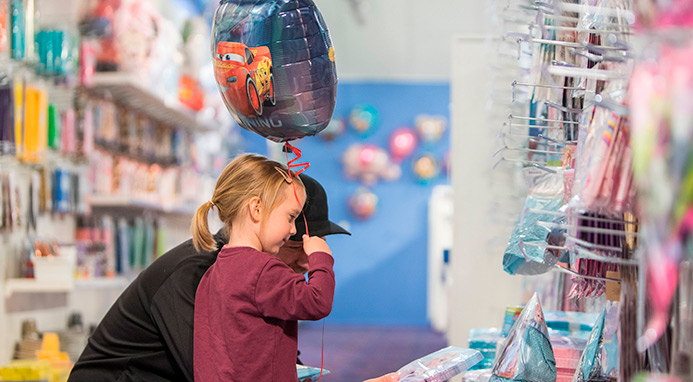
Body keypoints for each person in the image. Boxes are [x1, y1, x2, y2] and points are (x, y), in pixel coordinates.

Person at [68, 155, 349, 382]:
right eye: (294, 243)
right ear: (257, 212)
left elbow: (272, 355)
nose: (305, 261)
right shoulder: (200, 272)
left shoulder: (250, 274)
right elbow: (217, 367)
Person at [192, 154, 335, 381]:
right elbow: (317, 302)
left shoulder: (214, 271)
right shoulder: (264, 269)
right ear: (256, 208)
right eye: (290, 217)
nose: (291, 230)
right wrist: (321, 257)